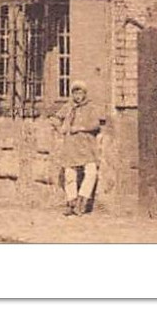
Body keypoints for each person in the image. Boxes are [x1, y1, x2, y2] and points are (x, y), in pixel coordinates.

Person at [50, 82, 106, 216]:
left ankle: (83, 201)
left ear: (85, 94)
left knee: (91, 172)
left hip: (87, 145)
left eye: (80, 93)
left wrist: (80, 128)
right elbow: (55, 118)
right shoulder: (69, 107)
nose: (77, 96)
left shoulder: (91, 107)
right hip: (71, 146)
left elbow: (96, 124)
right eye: (75, 93)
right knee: (70, 173)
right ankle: (72, 202)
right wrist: (60, 128)